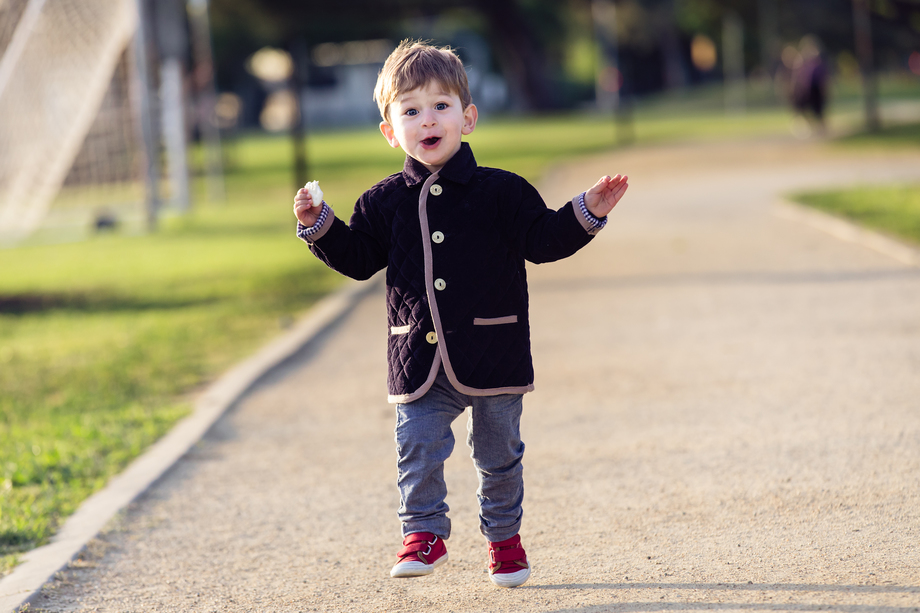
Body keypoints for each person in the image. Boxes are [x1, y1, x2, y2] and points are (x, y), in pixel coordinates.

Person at [292, 40, 628, 588]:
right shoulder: (382, 203)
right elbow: (357, 261)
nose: (428, 119)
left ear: (467, 118)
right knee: (416, 444)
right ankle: (423, 532)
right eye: (411, 110)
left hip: (493, 356)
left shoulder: (502, 191)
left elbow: (543, 241)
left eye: (441, 106)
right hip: (419, 359)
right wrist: (319, 224)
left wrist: (586, 212)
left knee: (498, 456)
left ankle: (504, 540)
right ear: (389, 130)